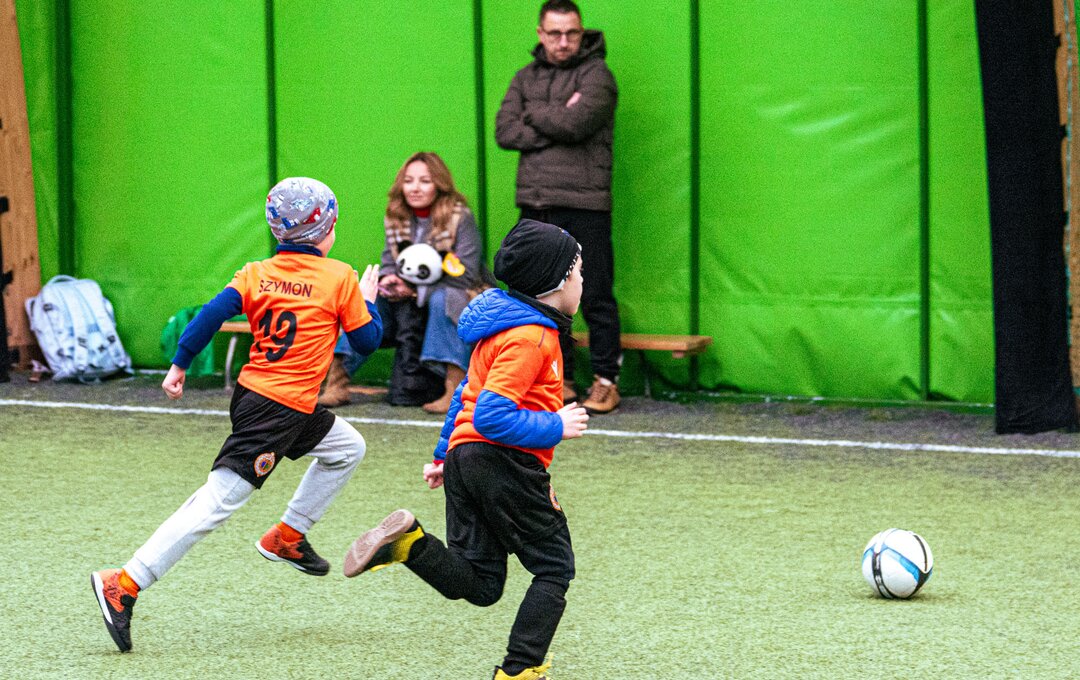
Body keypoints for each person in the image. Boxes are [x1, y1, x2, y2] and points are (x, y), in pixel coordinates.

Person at [90, 177, 383, 653]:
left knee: (347, 447)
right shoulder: (341, 278)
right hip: (278, 411)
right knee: (216, 503)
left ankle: (287, 535)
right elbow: (367, 341)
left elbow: (209, 315)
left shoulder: (256, 272)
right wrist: (369, 299)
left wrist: (180, 364)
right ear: (326, 230)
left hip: (258, 399)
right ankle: (122, 584)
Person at [341, 219, 588, 680]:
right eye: (578, 273)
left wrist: (445, 455)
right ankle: (519, 670)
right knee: (555, 567)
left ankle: (411, 544)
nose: (582, 282)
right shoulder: (530, 338)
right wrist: (556, 424)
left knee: (481, 583)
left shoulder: (505, 327)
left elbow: (464, 396)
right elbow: (491, 415)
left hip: (465, 457)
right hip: (505, 463)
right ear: (556, 283)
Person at [495, 0, 621, 414]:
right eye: (555, 33)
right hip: (536, 204)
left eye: (572, 33)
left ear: (582, 32)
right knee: (539, 295)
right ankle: (558, 379)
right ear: (540, 33)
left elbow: (577, 124)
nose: (564, 41)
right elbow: (505, 131)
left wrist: (533, 115)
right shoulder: (523, 77)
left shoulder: (598, 76)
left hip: (586, 203)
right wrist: (555, 118)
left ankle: (606, 380)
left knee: (595, 291)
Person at [319, 152, 487, 413]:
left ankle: (453, 388)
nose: (415, 188)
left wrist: (416, 289)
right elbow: (389, 261)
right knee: (368, 299)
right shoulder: (396, 215)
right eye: (409, 181)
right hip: (407, 299)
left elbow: (465, 272)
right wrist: (388, 280)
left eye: (425, 181)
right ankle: (337, 383)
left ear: (439, 184)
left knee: (444, 299)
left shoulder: (459, 216)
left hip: (456, 291)